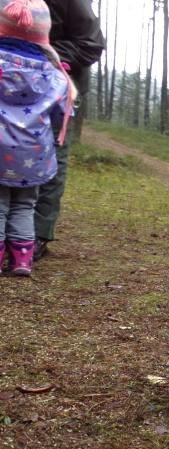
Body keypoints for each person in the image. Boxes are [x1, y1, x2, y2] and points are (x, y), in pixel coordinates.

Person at [0, 0, 75, 276]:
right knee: (24, 205)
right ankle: (21, 261)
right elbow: (64, 111)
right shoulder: (53, 73)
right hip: (34, 154)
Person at [33, 0, 104, 262]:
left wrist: (39, 55)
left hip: (57, 92)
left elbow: (91, 44)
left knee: (51, 157)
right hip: (12, 84)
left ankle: (37, 234)